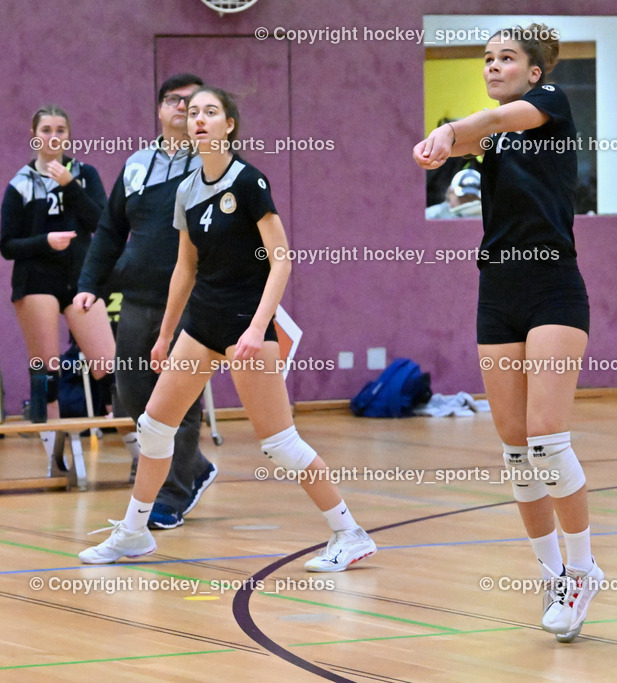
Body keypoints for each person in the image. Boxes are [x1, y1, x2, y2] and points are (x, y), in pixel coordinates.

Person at [80, 87, 376, 571]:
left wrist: (257, 330)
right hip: (202, 323)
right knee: (154, 428)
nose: (198, 120)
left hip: (248, 324)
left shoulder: (249, 182)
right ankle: (133, 533)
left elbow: (282, 262)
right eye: (192, 112)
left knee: (280, 444)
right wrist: (164, 335)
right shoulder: (186, 189)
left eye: (210, 112)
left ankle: (350, 532)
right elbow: (184, 269)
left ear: (229, 125)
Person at [414, 23, 602, 643]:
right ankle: (551, 575)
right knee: (517, 450)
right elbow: (470, 139)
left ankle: (583, 569)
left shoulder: (551, 108)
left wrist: (448, 131)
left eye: (507, 59)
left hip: (552, 285)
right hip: (497, 291)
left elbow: (484, 126)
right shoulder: (491, 135)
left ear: (535, 72)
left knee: (549, 439)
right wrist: (444, 144)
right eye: (487, 59)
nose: (493, 67)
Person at [75, 74, 217, 530]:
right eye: (176, 101)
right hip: (136, 298)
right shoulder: (136, 165)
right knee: (133, 396)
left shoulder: (218, 165)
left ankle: (172, 495)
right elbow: (111, 230)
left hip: (195, 301)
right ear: (159, 109)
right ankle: (193, 467)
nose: (185, 108)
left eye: (195, 103)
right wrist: (88, 283)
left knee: (181, 399)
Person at [1, 105, 115, 453]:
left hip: (80, 278)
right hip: (36, 280)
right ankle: (52, 449)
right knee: (46, 368)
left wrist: (70, 187)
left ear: (69, 135)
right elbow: (6, 244)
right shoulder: (20, 184)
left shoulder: (85, 173)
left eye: (61, 130)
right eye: (47, 129)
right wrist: (44, 242)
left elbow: (100, 222)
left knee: (108, 365)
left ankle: (134, 445)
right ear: (35, 134)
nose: (54, 136)